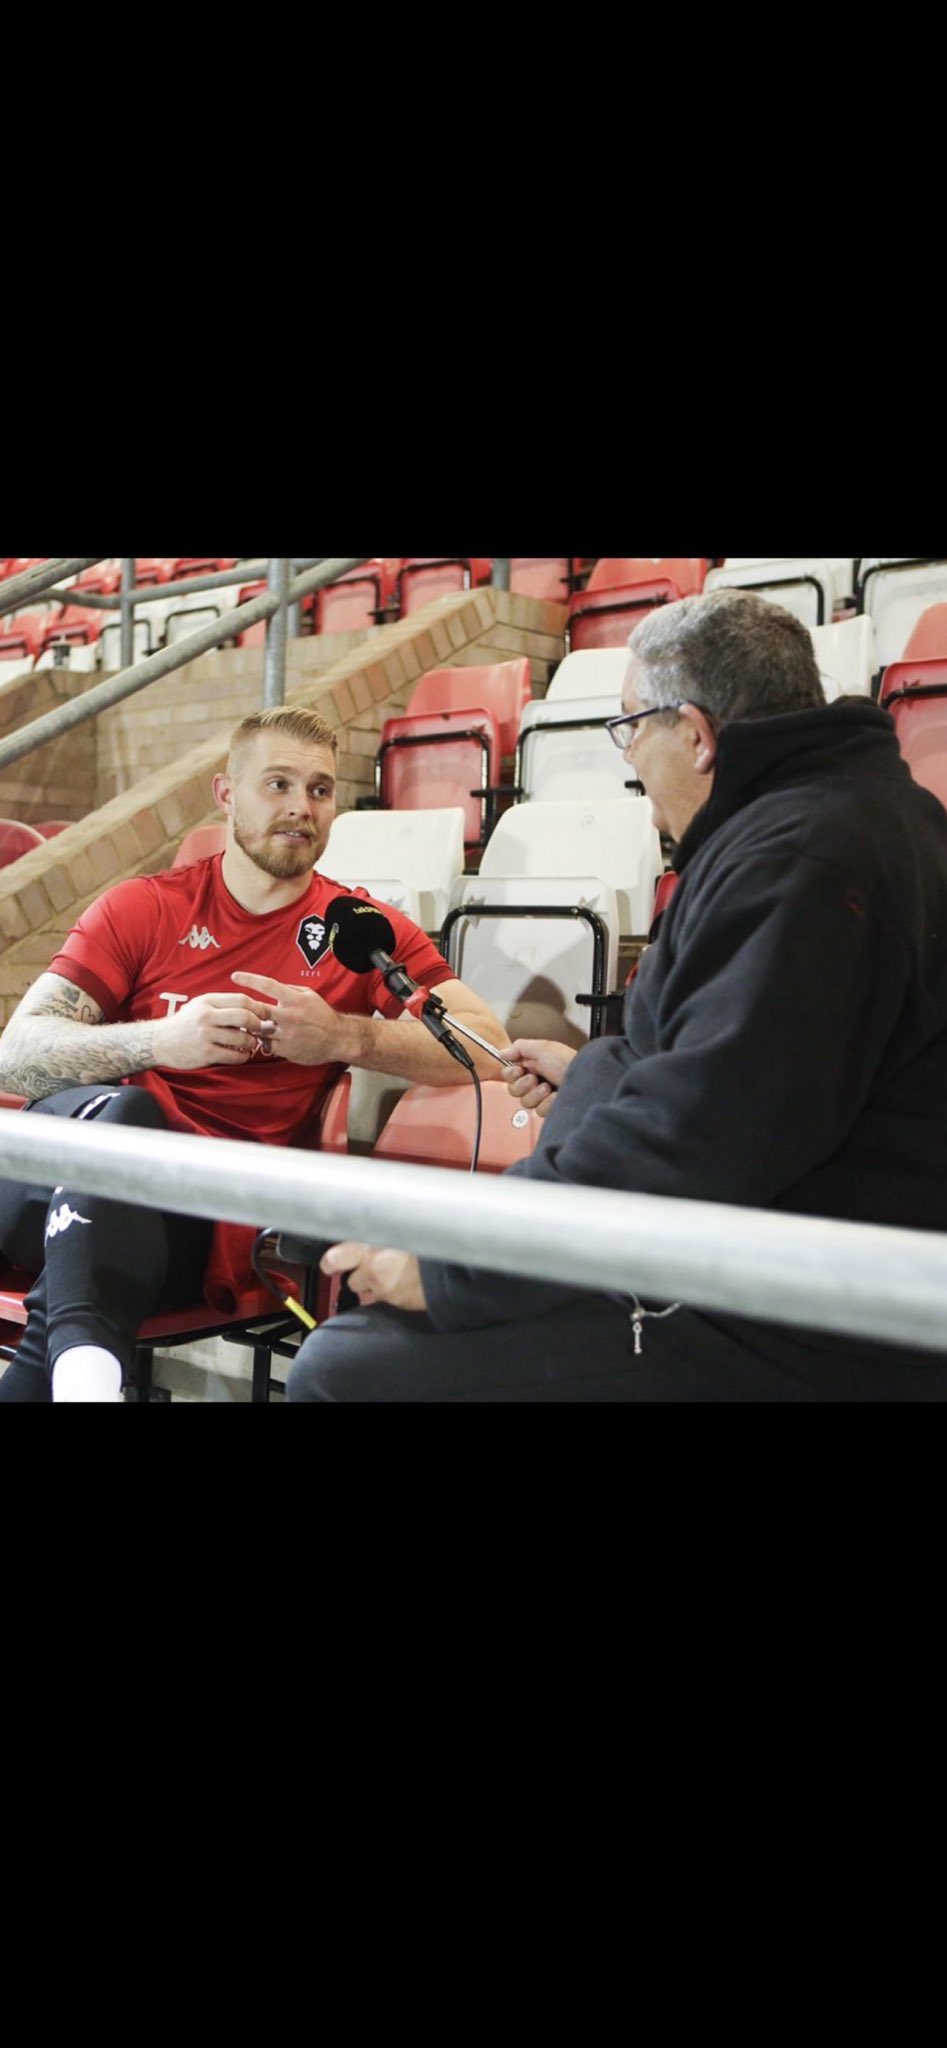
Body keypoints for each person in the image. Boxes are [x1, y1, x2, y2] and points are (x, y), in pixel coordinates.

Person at [285, 587, 947, 1403]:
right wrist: (592, 1076)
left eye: (631, 727)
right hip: (763, 1269)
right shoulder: (837, 820)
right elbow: (722, 1072)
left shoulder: (802, 864)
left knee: (349, 1368)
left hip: (804, 1323)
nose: (628, 759)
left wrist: (453, 1265)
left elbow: (694, 1137)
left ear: (696, 737)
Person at [0, 705, 510, 1402]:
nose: (301, 808)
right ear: (226, 794)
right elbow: (16, 1054)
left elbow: (486, 1047)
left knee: (81, 1283)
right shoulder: (144, 908)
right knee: (127, 1117)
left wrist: (344, 1036)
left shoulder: (358, 931)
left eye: (320, 790)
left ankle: (85, 1381)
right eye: (277, 785)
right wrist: (159, 1042)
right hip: (47, 1182)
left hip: (192, 1229)